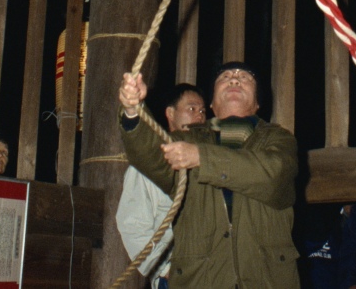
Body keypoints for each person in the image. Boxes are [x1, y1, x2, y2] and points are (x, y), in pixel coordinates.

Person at [119, 62, 300, 288]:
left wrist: (202, 158)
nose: (234, 79)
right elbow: (150, 156)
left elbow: (275, 173)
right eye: (224, 77)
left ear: (258, 103)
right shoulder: (188, 139)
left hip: (268, 279)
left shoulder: (279, 139)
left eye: (245, 77)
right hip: (199, 280)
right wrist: (133, 111)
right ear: (212, 104)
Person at [115, 83, 206, 288]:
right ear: (170, 113)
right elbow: (133, 225)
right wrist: (163, 270)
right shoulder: (146, 167)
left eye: (202, 111)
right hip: (173, 276)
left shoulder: (207, 164)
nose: (199, 116)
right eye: (191, 109)